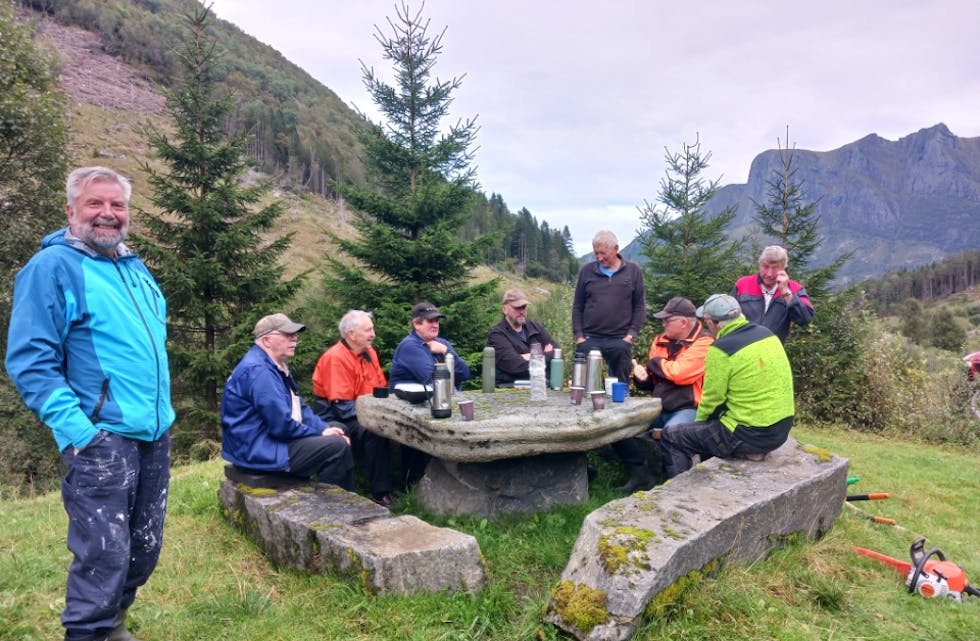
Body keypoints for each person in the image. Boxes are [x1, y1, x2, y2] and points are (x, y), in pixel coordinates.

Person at [4, 166, 175, 641]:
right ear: (71, 210)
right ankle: (89, 632)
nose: (108, 213)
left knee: (143, 547)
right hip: (101, 437)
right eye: (95, 203)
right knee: (103, 555)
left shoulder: (132, 266)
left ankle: (114, 625)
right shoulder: (52, 268)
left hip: (152, 433)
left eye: (117, 204)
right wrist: (81, 432)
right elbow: (30, 360)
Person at [659, 294, 795, 479]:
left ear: (712, 322)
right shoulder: (767, 334)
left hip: (749, 434)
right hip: (780, 429)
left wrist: (699, 424)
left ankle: (679, 490)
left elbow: (712, 400)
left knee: (673, 436)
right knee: (709, 431)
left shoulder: (722, 349)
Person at [221, 313, 354, 491]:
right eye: (287, 334)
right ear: (266, 340)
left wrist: (323, 429)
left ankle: (327, 490)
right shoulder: (260, 371)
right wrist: (320, 434)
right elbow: (281, 426)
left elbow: (299, 407)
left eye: (295, 334)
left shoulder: (274, 364)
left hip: (266, 442)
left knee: (339, 428)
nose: (294, 338)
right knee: (336, 446)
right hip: (257, 451)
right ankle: (334, 503)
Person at [613, 297, 714, 492]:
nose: (663, 324)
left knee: (673, 433)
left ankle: (677, 488)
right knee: (619, 424)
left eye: (667, 320)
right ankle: (641, 475)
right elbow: (656, 378)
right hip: (659, 405)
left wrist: (654, 364)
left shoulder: (704, 343)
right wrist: (643, 378)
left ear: (683, 322)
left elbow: (680, 374)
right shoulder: (660, 341)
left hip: (690, 407)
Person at [311, 310, 395, 506]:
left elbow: (380, 389)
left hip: (363, 409)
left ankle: (402, 481)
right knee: (374, 430)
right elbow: (342, 407)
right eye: (368, 330)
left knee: (389, 425)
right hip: (335, 415)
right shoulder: (335, 358)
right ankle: (380, 492)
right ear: (351, 334)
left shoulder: (370, 353)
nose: (373, 334)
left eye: (372, 329)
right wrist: (376, 415)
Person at [572, 230, 646, 382]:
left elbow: (639, 306)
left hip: (621, 340)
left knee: (621, 387)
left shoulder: (633, 271)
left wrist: (630, 336)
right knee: (586, 384)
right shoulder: (587, 271)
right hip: (590, 338)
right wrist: (579, 337)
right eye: (596, 253)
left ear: (616, 249)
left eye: (603, 253)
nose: (599, 257)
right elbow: (578, 306)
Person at [731, 245, 814, 343]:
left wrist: (785, 292)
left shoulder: (795, 289)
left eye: (775, 268)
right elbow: (727, 318)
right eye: (765, 267)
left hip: (772, 350)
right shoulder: (742, 284)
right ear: (760, 264)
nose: (769, 274)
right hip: (741, 347)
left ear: (784, 268)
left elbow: (805, 319)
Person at [388, 302, 471, 389]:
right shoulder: (409, 347)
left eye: (437, 321)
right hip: (410, 398)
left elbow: (464, 374)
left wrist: (446, 352)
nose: (435, 325)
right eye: (430, 321)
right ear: (416, 324)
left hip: (438, 396)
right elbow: (434, 381)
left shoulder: (443, 344)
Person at [487, 288, 557, 386]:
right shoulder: (496, 334)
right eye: (517, 307)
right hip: (510, 389)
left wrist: (529, 356)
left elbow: (558, 355)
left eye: (524, 307)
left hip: (541, 386)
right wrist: (544, 354)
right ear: (505, 309)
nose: (522, 311)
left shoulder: (536, 327)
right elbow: (516, 366)